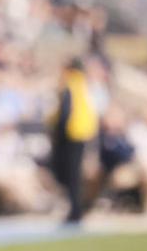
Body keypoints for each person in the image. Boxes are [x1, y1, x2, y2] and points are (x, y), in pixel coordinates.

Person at [51, 58, 99, 224]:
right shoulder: (85, 85)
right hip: (83, 133)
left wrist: (57, 133)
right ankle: (76, 209)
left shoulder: (70, 84)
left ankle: (75, 210)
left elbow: (65, 112)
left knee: (71, 175)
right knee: (75, 174)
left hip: (71, 134)